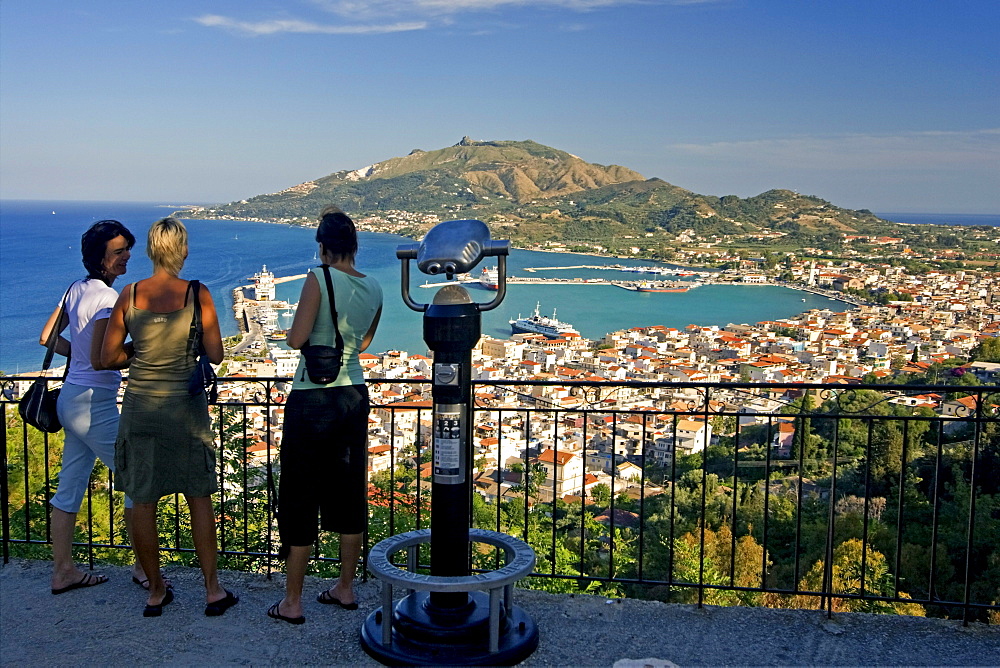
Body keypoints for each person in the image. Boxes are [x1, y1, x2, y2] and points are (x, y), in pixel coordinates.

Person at [101, 217, 238, 618]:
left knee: (142, 499)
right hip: (185, 410)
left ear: (149, 251)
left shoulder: (129, 294)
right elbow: (216, 354)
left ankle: (156, 590)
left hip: (141, 408)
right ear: (183, 251)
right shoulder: (198, 293)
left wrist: (140, 349)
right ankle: (212, 590)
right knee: (198, 497)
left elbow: (108, 357)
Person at [267, 207, 382, 625]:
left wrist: (297, 333)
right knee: (349, 489)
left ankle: (292, 601)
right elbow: (365, 342)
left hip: (313, 397)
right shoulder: (375, 287)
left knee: (300, 492)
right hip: (352, 393)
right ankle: (345, 587)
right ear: (353, 246)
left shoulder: (318, 278)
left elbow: (297, 337)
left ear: (323, 246)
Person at [41, 220, 152, 595]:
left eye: (126, 249)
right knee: (136, 477)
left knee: (69, 488)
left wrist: (81, 358)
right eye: (119, 251)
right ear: (101, 259)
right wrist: (142, 350)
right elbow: (107, 359)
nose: (127, 257)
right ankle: (143, 568)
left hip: (71, 398)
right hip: (94, 404)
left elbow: (47, 338)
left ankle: (63, 571)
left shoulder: (75, 289)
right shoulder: (108, 299)